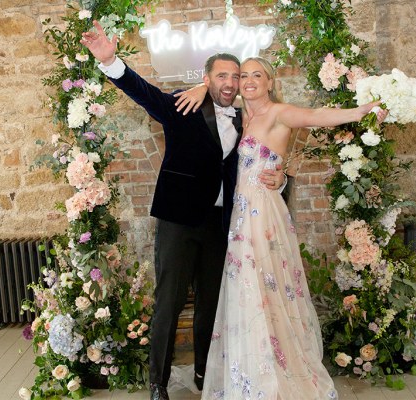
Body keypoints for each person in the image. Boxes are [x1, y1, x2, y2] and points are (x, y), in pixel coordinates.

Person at [80, 24, 285, 400]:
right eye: (221, 75)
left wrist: (280, 176)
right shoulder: (184, 105)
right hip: (178, 221)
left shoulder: (247, 121)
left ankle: (207, 373)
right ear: (206, 79)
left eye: (235, 76)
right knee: (169, 303)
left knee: (212, 304)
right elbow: (145, 94)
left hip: (220, 226)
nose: (230, 82)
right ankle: (157, 382)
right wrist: (110, 61)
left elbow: (259, 165)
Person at [175, 57, 387, 399]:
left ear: (270, 82)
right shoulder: (241, 116)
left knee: (267, 289)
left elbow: (316, 117)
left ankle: (274, 376)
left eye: (257, 75)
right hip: (238, 219)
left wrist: (359, 111)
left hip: (264, 218)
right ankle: (248, 372)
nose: (248, 81)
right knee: (245, 291)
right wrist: (202, 86)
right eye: (244, 75)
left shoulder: (279, 113)